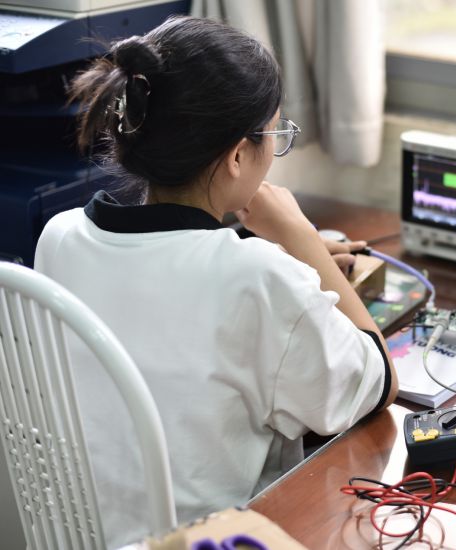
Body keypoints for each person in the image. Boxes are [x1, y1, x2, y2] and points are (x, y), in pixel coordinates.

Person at [34, 16, 397, 548]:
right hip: (207, 537)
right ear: (235, 156)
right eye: (275, 132)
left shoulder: (58, 236)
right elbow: (377, 381)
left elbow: (170, 273)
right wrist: (301, 238)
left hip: (81, 532)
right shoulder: (256, 278)